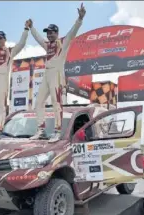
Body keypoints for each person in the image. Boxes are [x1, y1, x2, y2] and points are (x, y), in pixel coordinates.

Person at [28, 3, 86, 143]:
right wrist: (31, 28)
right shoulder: (47, 45)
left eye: (51, 32)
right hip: (47, 75)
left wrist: (80, 19)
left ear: (56, 33)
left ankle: (58, 131)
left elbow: (73, 32)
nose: (49, 34)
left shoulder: (62, 42)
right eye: (47, 32)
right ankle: (41, 130)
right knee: (39, 102)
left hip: (57, 75)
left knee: (56, 102)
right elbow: (38, 38)